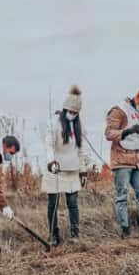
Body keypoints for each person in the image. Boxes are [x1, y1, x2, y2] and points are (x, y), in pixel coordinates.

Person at [42, 85, 93, 246]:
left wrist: (83, 170)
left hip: (73, 170)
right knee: (53, 204)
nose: (72, 115)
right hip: (55, 169)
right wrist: (51, 161)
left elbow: (81, 149)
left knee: (72, 204)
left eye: (75, 113)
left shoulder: (80, 126)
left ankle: (75, 234)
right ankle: (53, 234)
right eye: (70, 112)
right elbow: (49, 144)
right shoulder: (54, 123)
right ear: (64, 110)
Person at [104, 86, 139, 238]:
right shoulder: (119, 110)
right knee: (122, 196)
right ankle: (125, 230)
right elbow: (109, 133)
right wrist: (127, 131)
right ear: (138, 95)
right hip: (122, 159)